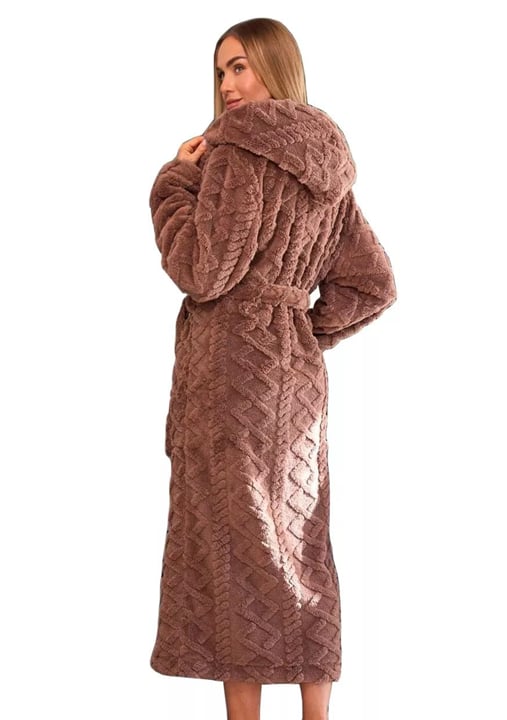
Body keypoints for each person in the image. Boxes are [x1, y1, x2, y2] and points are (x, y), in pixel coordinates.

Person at [148, 17, 397, 720]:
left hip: (231, 373)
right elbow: (371, 283)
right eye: (220, 70)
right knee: (297, 543)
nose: (228, 84)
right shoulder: (326, 162)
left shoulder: (235, 152)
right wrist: (299, 331)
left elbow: (204, 270)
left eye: (241, 66)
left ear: (275, 67)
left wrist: (173, 182)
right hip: (295, 381)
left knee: (237, 550)